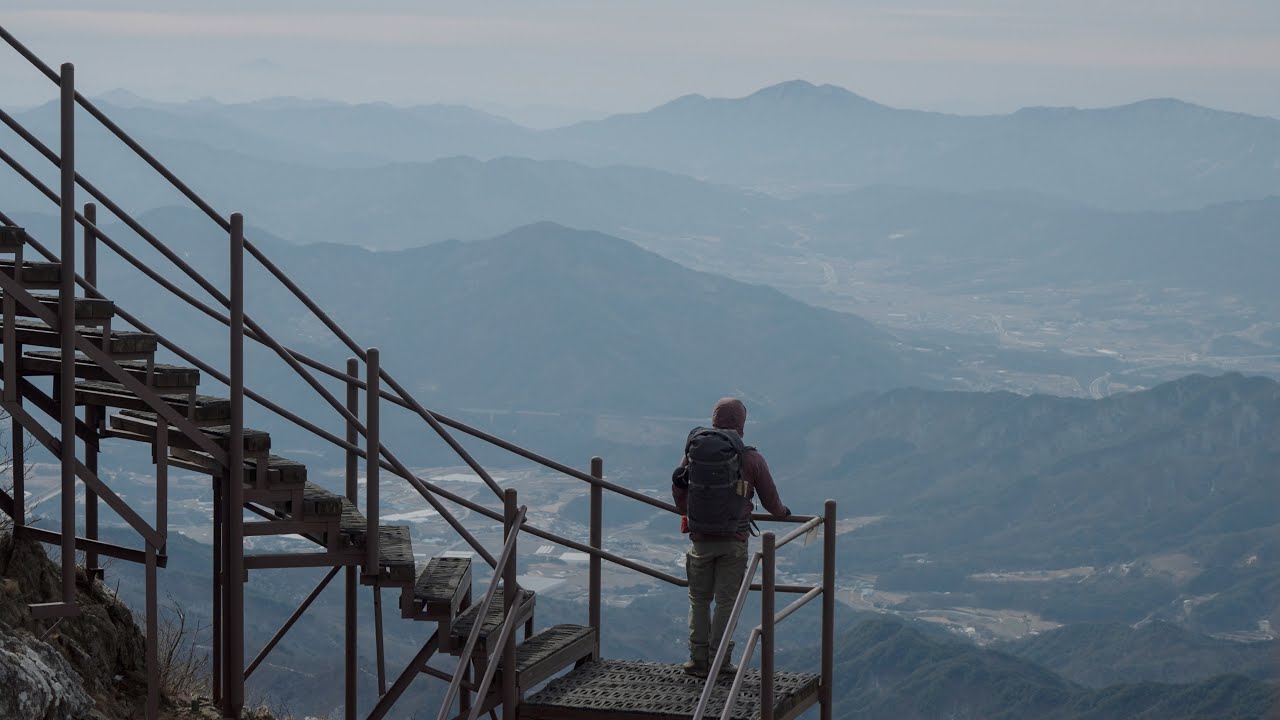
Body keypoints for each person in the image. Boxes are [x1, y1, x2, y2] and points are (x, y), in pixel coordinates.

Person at [672, 397, 790, 678]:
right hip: (733, 540)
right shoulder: (750, 458)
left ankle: (697, 660)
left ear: (714, 419)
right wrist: (783, 512)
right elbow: (771, 501)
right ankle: (720, 661)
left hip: (700, 539)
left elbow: (679, 491)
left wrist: (689, 512)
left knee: (698, 599)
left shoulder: (695, 451)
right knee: (727, 603)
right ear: (742, 423)